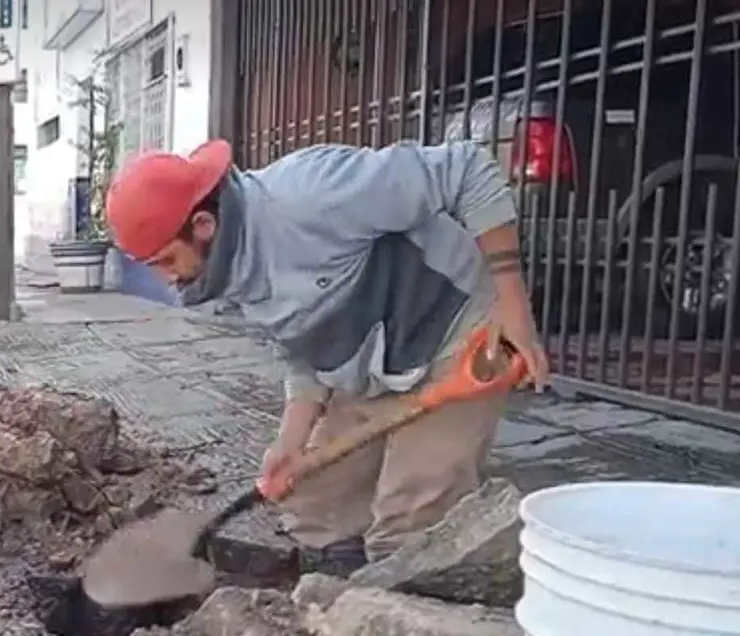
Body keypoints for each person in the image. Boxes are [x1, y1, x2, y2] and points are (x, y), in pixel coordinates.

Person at [104, 138, 549, 576]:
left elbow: (469, 169)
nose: (166, 281)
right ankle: (338, 596)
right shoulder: (229, 268)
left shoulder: (310, 195)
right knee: (315, 508)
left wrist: (513, 304)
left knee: (412, 523)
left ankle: (400, 616)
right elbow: (299, 346)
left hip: (457, 333)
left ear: (203, 225)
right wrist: (290, 439)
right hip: (373, 361)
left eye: (165, 261)